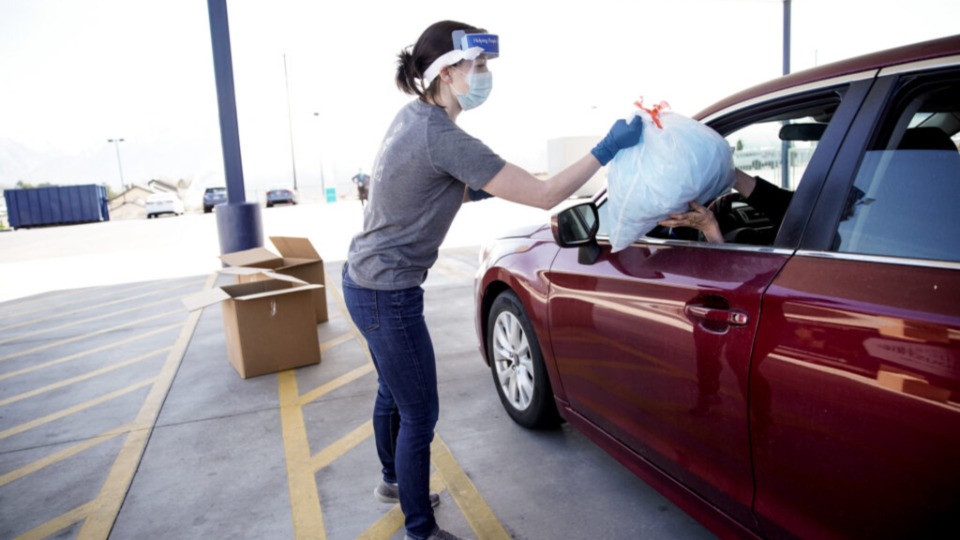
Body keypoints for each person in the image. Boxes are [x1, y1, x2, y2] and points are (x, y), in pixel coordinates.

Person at [341, 20, 643, 540]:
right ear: (446, 72)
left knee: (393, 391)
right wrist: (608, 147)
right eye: (476, 65)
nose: (483, 75)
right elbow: (545, 196)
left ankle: (394, 481)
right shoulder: (444, 137)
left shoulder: (412, 117)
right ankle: (420, 530)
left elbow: (425, 184)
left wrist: (477, 187)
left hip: (362, 280)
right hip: (388, 294)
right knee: (419, 413)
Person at [658, 169, 793, 243]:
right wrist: (723, 168)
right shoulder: (804, 209)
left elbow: (733, 279)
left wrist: (709, 228)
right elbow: (784, 205)